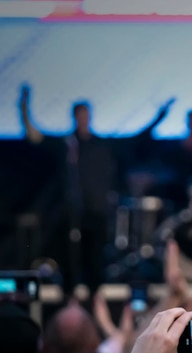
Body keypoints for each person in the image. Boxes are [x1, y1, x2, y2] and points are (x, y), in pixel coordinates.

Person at [19, 86, 174, 295]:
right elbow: (35, 136)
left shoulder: (103, 144)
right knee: (70, 259)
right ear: (74, 117)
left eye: (86, 115)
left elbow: (138, 137)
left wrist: (160, 117)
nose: (83, 119)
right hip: (72, 214)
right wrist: (24, 108)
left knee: (95, 261)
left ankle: (95, 304)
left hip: (98, 213)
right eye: (79, 115)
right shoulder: (67, 145)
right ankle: (70, 302)